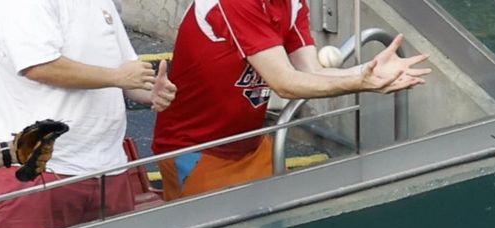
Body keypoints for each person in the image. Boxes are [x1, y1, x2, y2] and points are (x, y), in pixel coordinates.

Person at [152, 0, 431, 201]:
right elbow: (284, 82)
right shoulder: (233, 3)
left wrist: (367, 71)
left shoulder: (292, 3)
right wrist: (360, 83)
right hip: (199, 151)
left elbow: (313, 72)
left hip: (251, 146)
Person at [0, 0, 177, 228]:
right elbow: (38, 66)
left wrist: (151, 92)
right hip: (36, 174)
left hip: (106, 167)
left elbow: (127, 72)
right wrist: (117, 77)